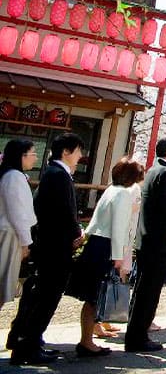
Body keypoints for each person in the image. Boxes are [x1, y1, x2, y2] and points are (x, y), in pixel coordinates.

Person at [6, 133, 84, 365]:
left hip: (50, 246)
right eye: (78, 151)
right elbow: (61, 213)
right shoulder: (58, 176)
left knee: (40, 295)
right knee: (46, 297)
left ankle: (28, 340)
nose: (81, 156)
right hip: (54, 248)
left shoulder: (55, 174)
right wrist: (75, 233)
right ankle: (27, 346)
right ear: (66, 152)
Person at [66, 157, 143, 357]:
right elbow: (118, 228)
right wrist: (119, 256)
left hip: (96, 243)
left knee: (91, 296)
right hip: (106, 246)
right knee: (96, 295)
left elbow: (99, 220)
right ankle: (86, 342)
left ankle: (88, 338)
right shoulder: (124, 195)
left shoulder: (110, 190)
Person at [125, 136, 166, 353]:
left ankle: (134, 333)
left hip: (146, 240)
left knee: (142, 290)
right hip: (159, 241)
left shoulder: (152, 171)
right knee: (149, 292)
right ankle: (138, 337)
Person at [0, 140, 38, 311]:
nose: (35, 159)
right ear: (21, 156)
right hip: (9, 235)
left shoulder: (9, 174)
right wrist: (26, 242)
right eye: (33, 154)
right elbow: (18, 213)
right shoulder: (14, 176)